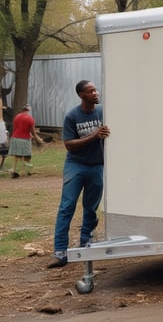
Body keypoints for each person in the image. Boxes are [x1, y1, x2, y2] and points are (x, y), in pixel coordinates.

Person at [47, 80, 110, 268]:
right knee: (66, 207)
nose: (96, 93)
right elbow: (69, 144)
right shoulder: (72, 116)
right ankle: (60, 252)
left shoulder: (102, 112)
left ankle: (86, 242)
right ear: (82, 95)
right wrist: (94, 136)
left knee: (91, 207)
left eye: (95, 89)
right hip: (76, 165)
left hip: (97, 166)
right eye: (91, 91)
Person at [7, 104, 43, 178]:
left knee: (17, 156)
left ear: (22, 110)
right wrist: (38, 140)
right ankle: (27, 171)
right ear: (29, 111)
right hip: (25, 140)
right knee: (27, 156)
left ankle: (15, 171)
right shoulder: (30, 119)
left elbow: (16, 129)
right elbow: (33, 133)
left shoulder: (16, 117)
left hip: (15, 138)